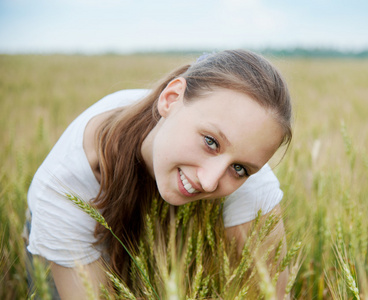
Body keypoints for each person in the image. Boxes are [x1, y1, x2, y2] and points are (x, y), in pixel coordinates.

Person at [25, 49, 292, 299]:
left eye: (240, 169)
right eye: (210, 142)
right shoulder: (64, 188)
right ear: (171, 99)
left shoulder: (247, 171)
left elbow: (275, 294)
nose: (209, 182)